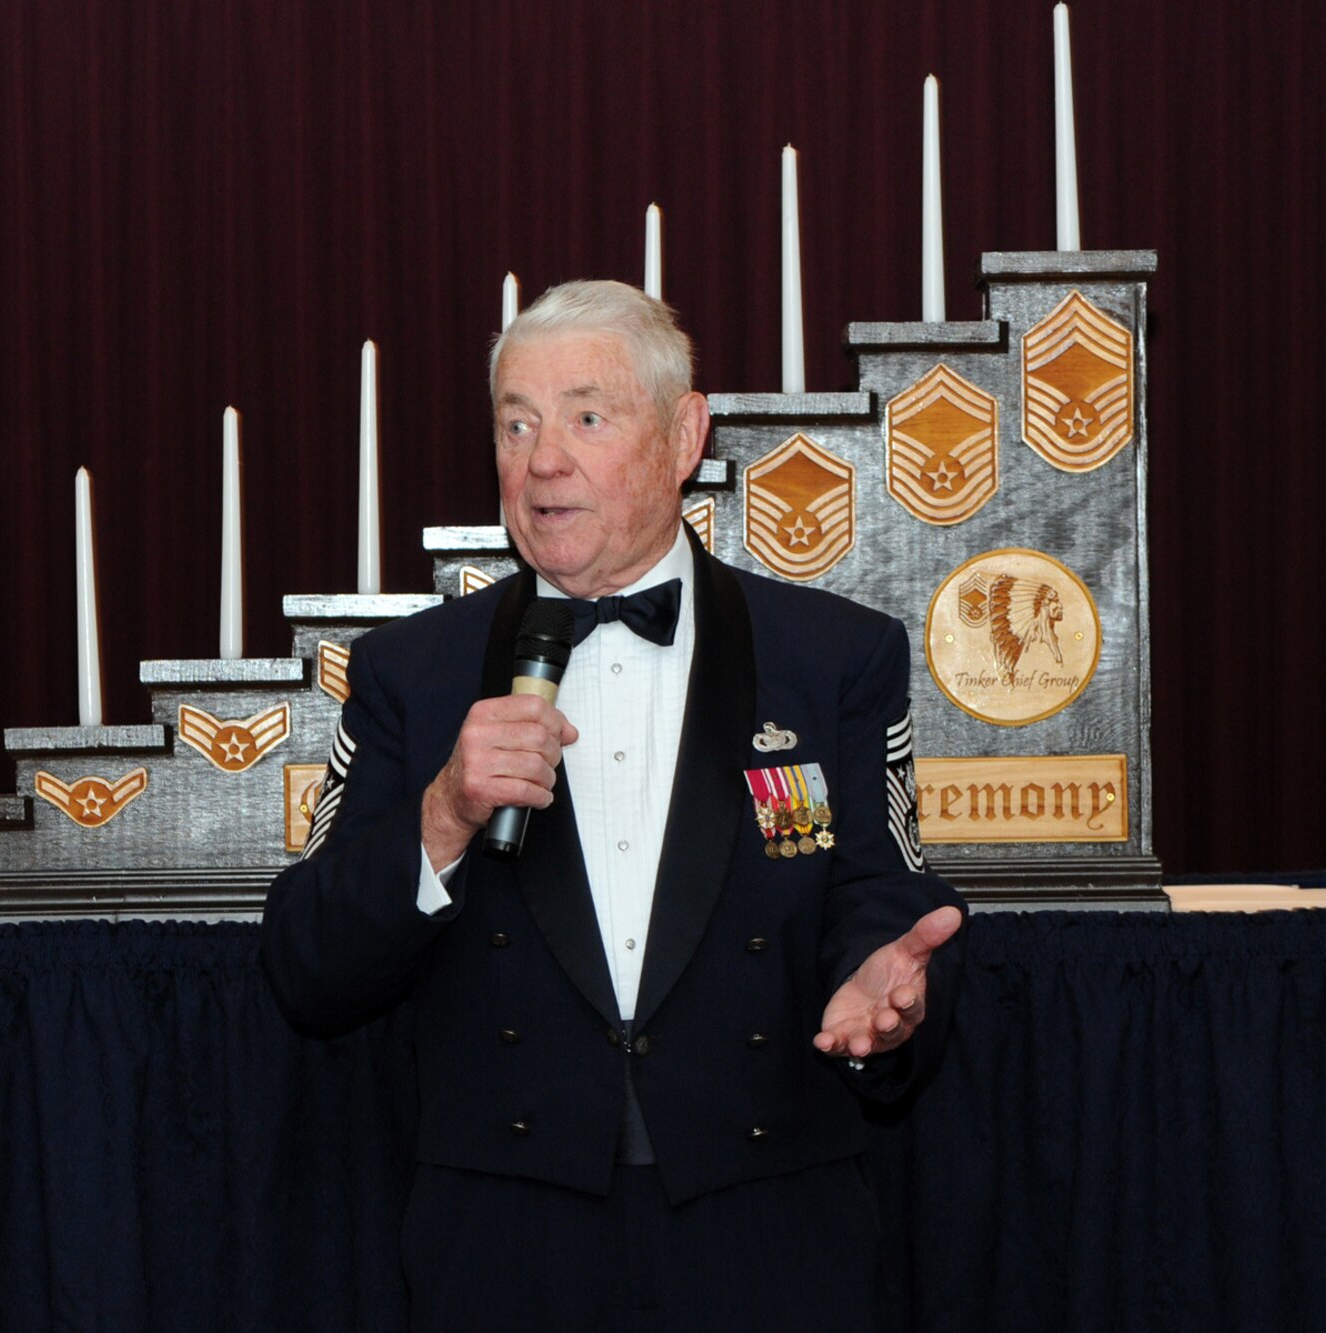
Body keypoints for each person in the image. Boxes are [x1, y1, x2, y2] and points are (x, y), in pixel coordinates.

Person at [261, 279, 964, 1330]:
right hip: (502, 1240)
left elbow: (875, 887)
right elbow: (306, 964)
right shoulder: (411, 671)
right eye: (516, 423)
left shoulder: (831, 658)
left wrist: (886, 995)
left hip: (768, 1223)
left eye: (586, 417)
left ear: (684, 433)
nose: (542, 460)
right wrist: (442, 818)